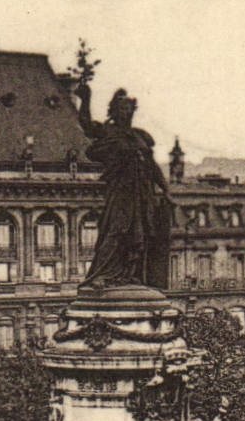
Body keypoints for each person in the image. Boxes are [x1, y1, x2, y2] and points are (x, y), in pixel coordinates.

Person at [73, 83, 172, 288]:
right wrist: (86, 99)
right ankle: (102, 274)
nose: (126, 112)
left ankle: (131, 274)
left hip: (142, 192)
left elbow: (152, 166)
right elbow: (87, 126)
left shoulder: (140, 137)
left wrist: (165, 189)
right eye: (121, 109)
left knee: (140, 234)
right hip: (121, 190)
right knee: (116, 229)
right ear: (114, 111)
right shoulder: (109, 132)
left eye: (129, 109)